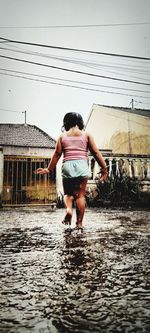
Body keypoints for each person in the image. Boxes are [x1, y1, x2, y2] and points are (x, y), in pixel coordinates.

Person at [35, 112, 107, 230]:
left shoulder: (62, 137)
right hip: (82, 166)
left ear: (66, 123)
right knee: (80, 196)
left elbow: (57, 154)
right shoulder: (87, 135)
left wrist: (48, 169)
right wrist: (104, 169)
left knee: (68, 194)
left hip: (68, 165)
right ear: (80, 123)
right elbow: (96, 153)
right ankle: (79, 223)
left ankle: (69, 210)